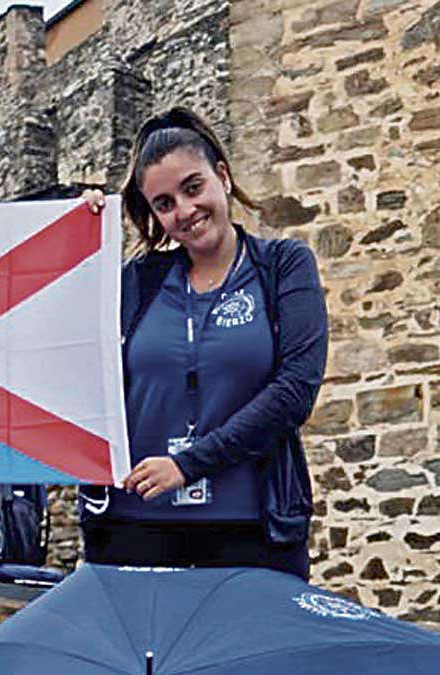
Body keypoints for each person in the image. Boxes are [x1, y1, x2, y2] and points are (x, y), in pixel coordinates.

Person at [79, 106, 328, 579]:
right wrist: (80, 230)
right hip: (135, 527)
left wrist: (188, 465)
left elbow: (296, 390)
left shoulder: (282, 266)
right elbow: (59, 334)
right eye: (164, 203)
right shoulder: (135, 283)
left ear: (223, 177)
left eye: (193, 188)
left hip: (252, 528)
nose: (185, 212)